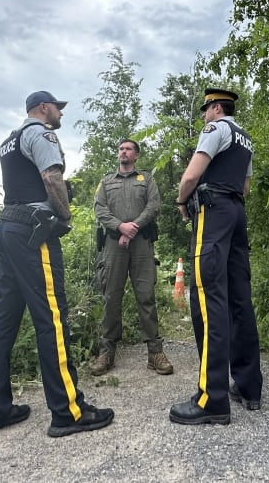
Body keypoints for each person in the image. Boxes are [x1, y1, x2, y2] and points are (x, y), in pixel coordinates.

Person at [0, 90, 114, 438]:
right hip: (34, 233)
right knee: (52, 319)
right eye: (57, 108)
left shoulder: (10, 140)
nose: (60, 114)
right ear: (43, 108)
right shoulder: (41, 133)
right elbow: (51, 178)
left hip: (8, 229)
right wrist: (65, 216)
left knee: (2, 321)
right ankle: (68, 411)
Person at [169, 87, 263, 425]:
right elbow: (246, 187)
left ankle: (212, 399)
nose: (204, 116)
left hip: (213, 210)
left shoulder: (216, 130)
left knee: (208, 298)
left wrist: (182, 202)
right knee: (240, 298)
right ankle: (249, 387)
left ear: (217, 108)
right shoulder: (245, 139)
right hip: (237, 212)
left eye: (205, 110)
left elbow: (193, 174)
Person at [90, 139, 173, 376]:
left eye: (128, 149)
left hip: (141, 246)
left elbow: (154, 205)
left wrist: (133, 227)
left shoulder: (146, 180)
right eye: (120, 149)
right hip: (113, 246)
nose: (123, 152)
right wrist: (120, 227)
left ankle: (155, 353)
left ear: (136, 155)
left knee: (146, 297)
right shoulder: (106, 182)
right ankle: (107, 353)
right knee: (111, 297)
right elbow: (100, 209)